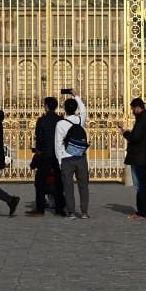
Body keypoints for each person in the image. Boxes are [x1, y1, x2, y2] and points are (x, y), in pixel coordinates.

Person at [26, 97, 66, 216]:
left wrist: (38, 150)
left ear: (47, 106)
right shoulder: (60, 120)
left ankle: (40, 208)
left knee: (39, 182)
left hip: (45, 155)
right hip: (58, 155)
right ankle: (59, 208)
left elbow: (39, 139)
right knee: (59, 182)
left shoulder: (41, 120)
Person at [54, 89, 89, 220]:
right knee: (83, 185)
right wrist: (76, 96)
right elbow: (84, 109)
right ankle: (84, 212)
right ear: (75, 109)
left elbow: (57, 144)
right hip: (80, 156)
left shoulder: (60, 124)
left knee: (68, 187)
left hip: (66, 158)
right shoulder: (80, 120)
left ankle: (71, 212)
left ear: (64, 109)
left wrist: (59, 161)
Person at [119, 97, 146, 219]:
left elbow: (135, 137)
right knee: (145, 184)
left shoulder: (142, 120)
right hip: (143, 155)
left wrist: (125, 132)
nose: (133, 111)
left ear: (138, 108)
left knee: (140, 185)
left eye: (133, 109)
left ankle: (141, 212)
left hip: (138, 156)